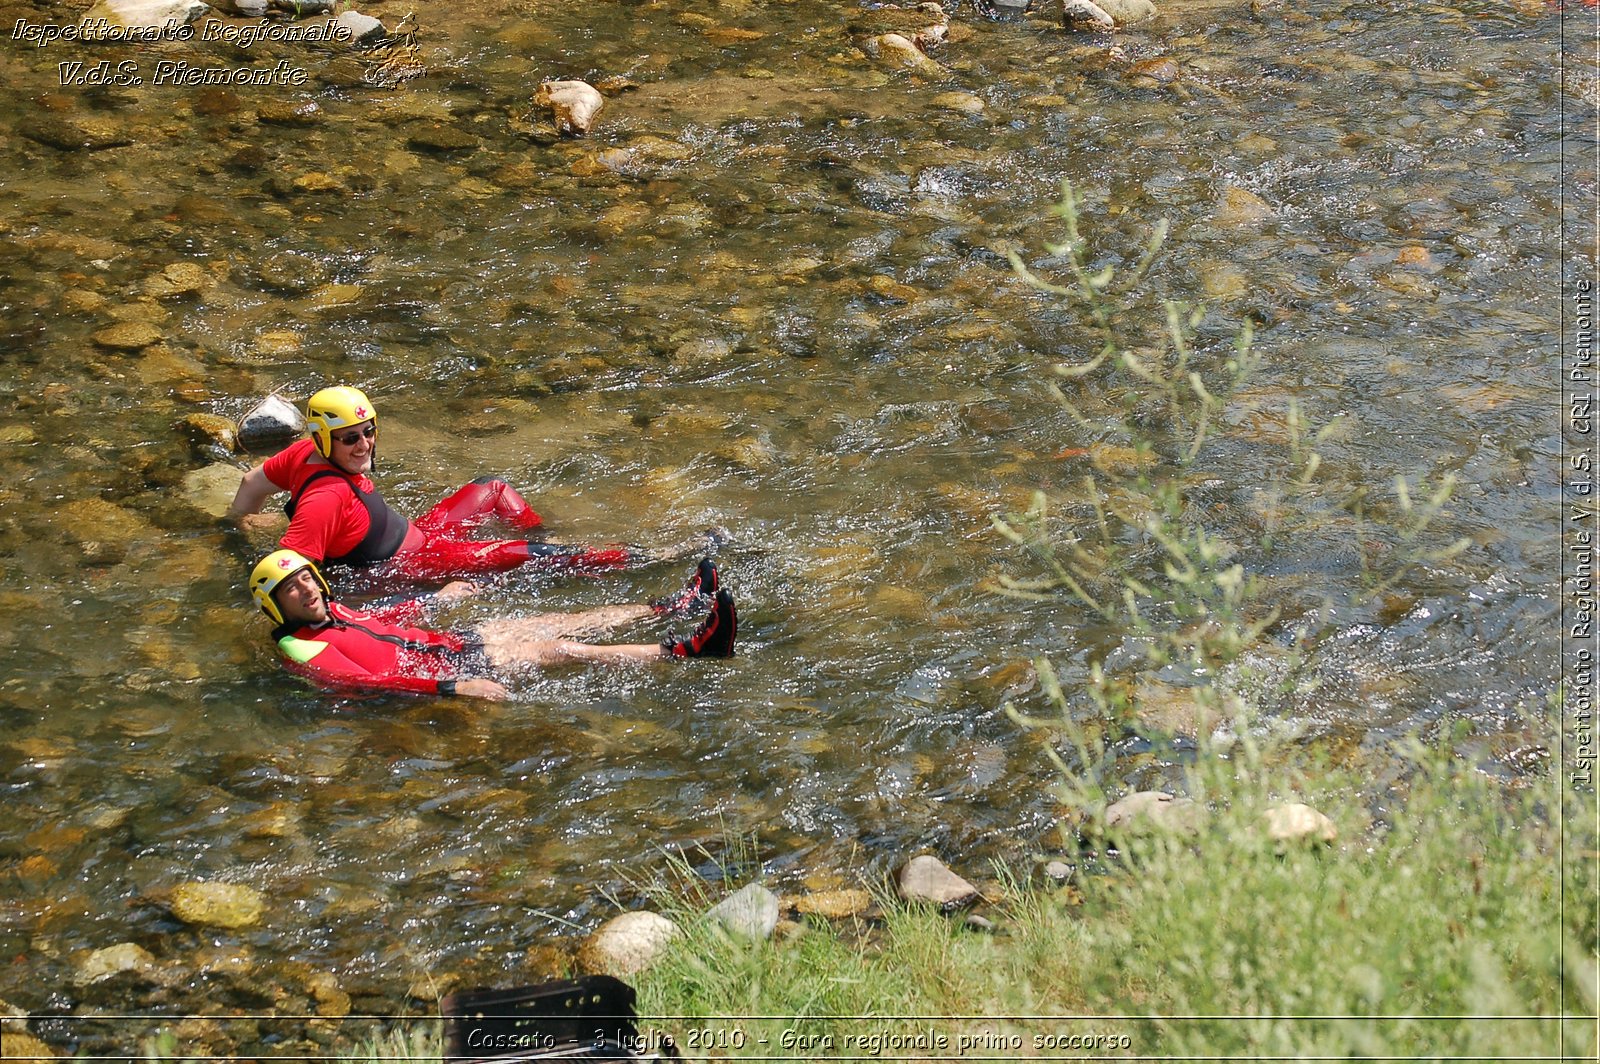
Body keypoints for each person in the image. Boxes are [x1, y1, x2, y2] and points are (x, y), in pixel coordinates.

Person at [228, 385, 718, 583]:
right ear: (324, 438)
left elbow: (252, 482)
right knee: (543, 561)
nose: (364, 445)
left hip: (422, 533)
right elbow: (295, 568)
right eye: (350, 438)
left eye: (369, 430)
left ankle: (541, 535)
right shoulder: (325, 497)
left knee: (493, 487)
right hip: (417, 563)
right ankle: (663, 555)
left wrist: (237, 525)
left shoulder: (302, 453)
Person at [248, 549, 737, 700]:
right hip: (450, 667)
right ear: (275, 606)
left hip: (453, 644)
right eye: (291, 589)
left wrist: (433, 599)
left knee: (555, 620)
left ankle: (673, 606)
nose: (306, 589)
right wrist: (452, 688)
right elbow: (367, 679)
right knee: (561, 649)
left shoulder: (331, 609)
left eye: (306, 579)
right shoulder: (299, 646)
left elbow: (379, 621)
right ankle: (689, 650)